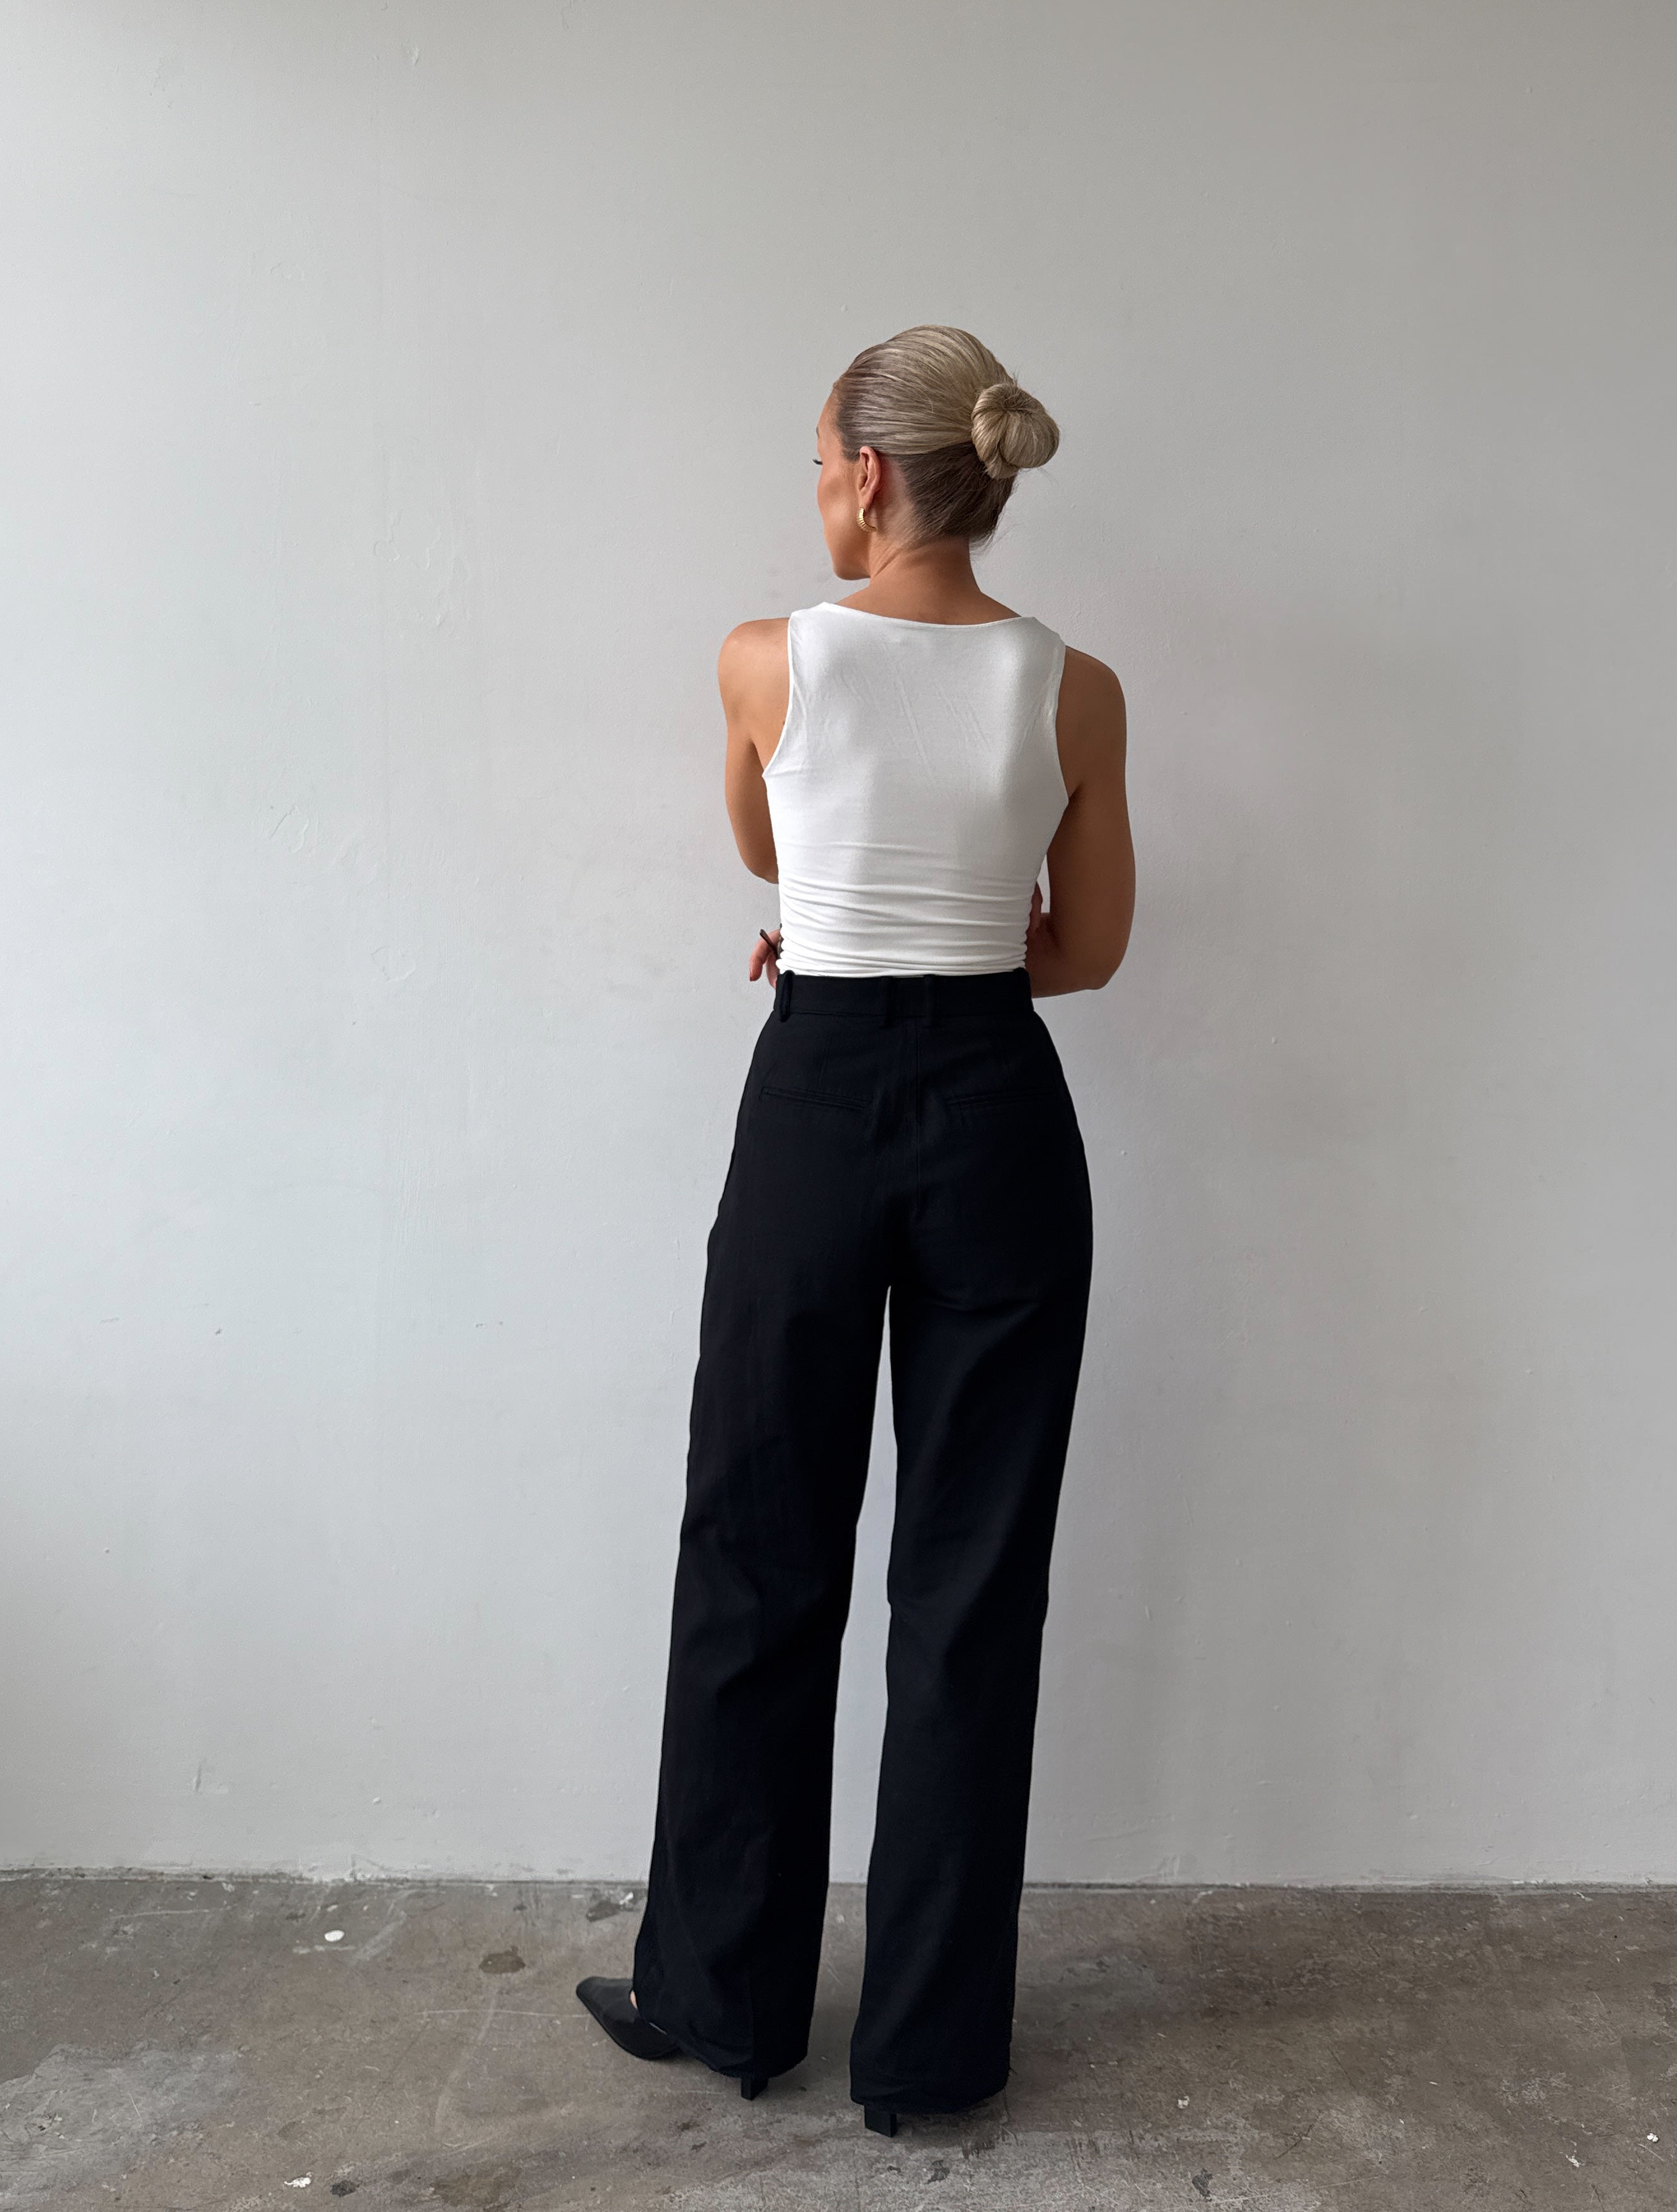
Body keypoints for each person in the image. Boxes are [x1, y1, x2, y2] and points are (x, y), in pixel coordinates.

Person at [576, 323, 1135, 2137]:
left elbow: (773, 857)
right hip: (998, 1112)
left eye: (820, 461)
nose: (815, 489)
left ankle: (722, 1997)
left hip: (817, 1097)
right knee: (971, 1589)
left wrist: (841, 933)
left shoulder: (767, 658)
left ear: (870, 476)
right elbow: (1087, 949)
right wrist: (958, 941)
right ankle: (931, 2057)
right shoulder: (1076, 688)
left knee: (757, 1547)